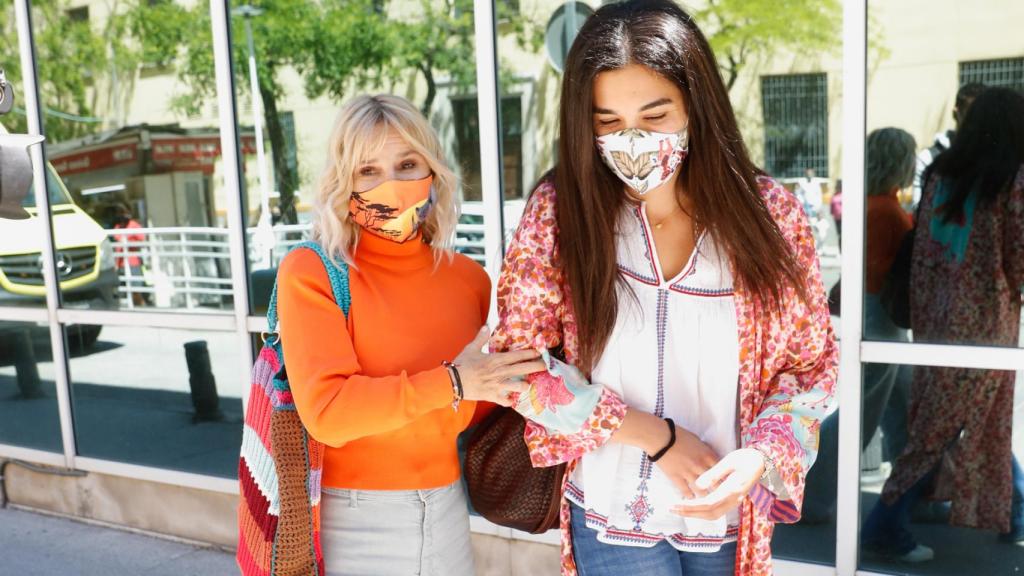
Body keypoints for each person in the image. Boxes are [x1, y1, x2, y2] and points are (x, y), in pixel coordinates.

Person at [489, 2, 838, 575]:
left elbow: (810, 367)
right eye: (607, 121)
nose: (632, 140)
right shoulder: (561, 214)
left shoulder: (769, 215)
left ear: (696, 107)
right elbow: (516, 366)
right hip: (611, 510)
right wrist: (653, 436)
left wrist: (763, 454)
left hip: (726, 517)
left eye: (655, 116)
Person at [274, 94, 545, 576]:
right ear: (343, 183)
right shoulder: (312, 272)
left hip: (447, 508)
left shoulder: (468, 279)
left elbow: (477, 409)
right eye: (368, 171)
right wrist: (454, 382)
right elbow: (329, 412)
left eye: (406, 164)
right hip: (353, 521)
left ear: (433, 172)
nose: (392, 186)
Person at [862, 87, 1024, 560]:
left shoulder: (938, 173)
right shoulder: (1011, 179)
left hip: (934, 320)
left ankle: (1016, 512)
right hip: (986, 326)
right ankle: (884, 527)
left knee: (960, 419)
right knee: (954, 424)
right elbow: (1018, 258)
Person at [802, 128, 917, 525]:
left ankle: (916, 494)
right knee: (862, 415)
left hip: (872, 315)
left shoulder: (868, 204)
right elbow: (884, 271)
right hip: (881, 320)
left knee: (900, 410)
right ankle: (811, 495)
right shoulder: (885, 209)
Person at [910, 82, 985, 209]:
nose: (977, 121)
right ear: (956, 113)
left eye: (983, 114)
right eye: (970, 114)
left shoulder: (997, 159)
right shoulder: (928, 158)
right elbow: (919, 209)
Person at [110, 203, 146, 306]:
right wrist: (115, 264)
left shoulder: (134, 225)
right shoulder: (117, 227)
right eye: (120, 212)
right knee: (122, 292)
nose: (122, 215)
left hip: (133, 263)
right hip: (121, 264)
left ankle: (141, 309)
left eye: (123, 212)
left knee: (136, 291)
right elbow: (117, 246)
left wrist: (130, 242)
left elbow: (142, 240)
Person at [830, 179, 842, 243]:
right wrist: (831, 212)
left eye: (839, 186)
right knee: (839, 234)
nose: (837, 187)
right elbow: (832, 204)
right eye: (837, 186)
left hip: (843, 218)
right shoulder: (834, 195)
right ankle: (840, 250)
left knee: (842, 234)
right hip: (836, 218)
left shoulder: (844, 194)